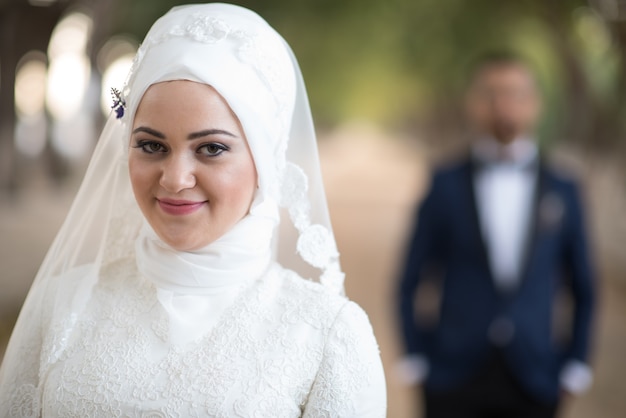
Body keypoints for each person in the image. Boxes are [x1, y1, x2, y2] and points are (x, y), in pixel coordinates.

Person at [0, 4, 387, 417]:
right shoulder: (62, 303)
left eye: (212, 149)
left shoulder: (328, 335)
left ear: (265, 163)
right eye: (151, 145)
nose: (175, 178)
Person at [397, 51, 596, 418]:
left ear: (536, 103)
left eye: (516, 93)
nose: (504, 105)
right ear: (473, 104)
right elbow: (409, 276)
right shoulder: (443, 183)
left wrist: (576, 362)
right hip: (451, 373)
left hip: (536, 374)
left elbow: (583, 283)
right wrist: (415, 356)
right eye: (491, 94)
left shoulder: (565, 188)